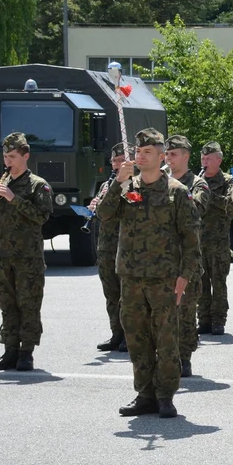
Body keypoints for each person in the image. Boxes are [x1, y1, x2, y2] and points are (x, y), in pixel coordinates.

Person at [97, 128, 200, 419]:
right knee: (137, 339)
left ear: (160, 156)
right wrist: (118, 182)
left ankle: (165, 395)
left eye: (147, 152)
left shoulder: (176, 192)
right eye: (138, 152)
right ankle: (145, 394)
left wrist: (185, 275)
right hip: (130, 277)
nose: (140, 157)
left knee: (166, 340)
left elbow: (191, 238)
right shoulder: (127, 187)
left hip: (164, 278)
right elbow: (104, 216)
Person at [0, 132, 53, 372]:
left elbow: (41, 217)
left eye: (12, 156)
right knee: (7, 304)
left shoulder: (38, 185)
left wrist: (13, 199)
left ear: (26, 156)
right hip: (1, 255)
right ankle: (10, 350)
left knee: (28, 304)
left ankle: (27, 352)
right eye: (5, 156)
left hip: (28, 257)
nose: (7, 161)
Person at [165, 135, 210, 377]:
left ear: (185, 156)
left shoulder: (198, 184)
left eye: (174, 154)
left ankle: (185, 357)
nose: (169, 158)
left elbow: (197, 210)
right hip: (160, 259)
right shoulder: (157, 181)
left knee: (185, 313)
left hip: (186, 259)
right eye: (167, 154)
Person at [93, 143, 128, 353]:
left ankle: (129, 335)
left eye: (121, 160)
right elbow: (103, 211)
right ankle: (116, 333)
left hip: (125, 247)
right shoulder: (107, 184)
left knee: (127, 297)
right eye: (114, 161)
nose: (116, 164)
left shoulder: (133, 183)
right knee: (111, 295)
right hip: (106, 247)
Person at [197, 141, 233, 336]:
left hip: (218, 241)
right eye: (202, 158)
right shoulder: (196, 180)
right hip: (197, 240)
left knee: (218, 283)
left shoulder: (228, 181)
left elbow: (232, 205)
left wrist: (208, 194)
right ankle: (203, 319)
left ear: (218, 160)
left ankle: (219, 320)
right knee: (200, 282)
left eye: (208, 158)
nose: (204, 162)